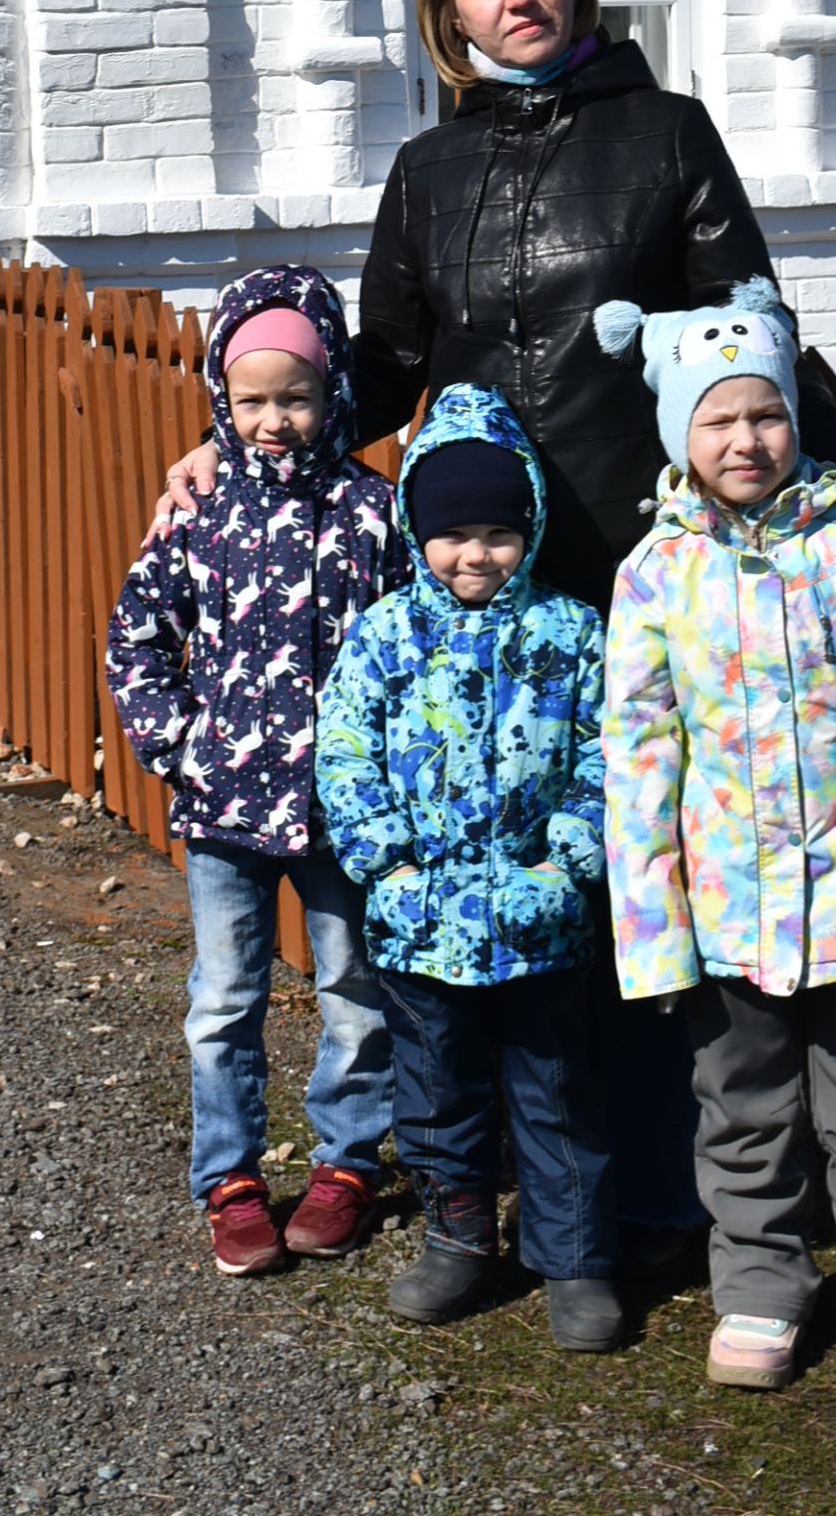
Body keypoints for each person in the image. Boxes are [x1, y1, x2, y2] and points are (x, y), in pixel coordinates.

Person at [159, 0, 836, 1239]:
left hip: (634, 551)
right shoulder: (430, 170)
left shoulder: (667, 135)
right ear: (451, 17)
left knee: (636, 844)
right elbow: (376, 367)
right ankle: (481, 1162)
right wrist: (235, 441)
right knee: (496, 845)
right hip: (482, 572)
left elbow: (750, 313)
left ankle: (659, 1175)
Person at [598, 278, 836, 1403]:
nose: (746, 438)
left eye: (764, 414)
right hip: (726, 910)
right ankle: (760, 1286)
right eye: (718, 419)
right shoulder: (655, 575)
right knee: (744, 1112)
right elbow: (639, 760)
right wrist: (653, 934)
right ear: (680, 432)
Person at [106, 264, 405, 1278]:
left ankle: (347, 1162)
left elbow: (416, 647)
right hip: (224, 803)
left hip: (344, 808)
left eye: (297, 396)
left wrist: (392, 764)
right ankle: (229, 1177)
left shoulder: (376, 516)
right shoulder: (197, 514)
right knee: (224, 997)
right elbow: (137, 636)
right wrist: (178, 743)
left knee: (355, 988)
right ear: (221, 401)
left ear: (335, 395)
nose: (275, 419)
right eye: (254, 399)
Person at [314, 382, 623, 1354]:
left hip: (542, 917)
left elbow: (611, 751)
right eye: (453, 534)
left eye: (496, 531)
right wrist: (384, 862)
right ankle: (458, 1235)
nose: (474, 553)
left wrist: (570, 861)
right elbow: (345, 752)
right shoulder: (385, 636)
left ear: (526, 528)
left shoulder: (571, 634)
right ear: (418, 530)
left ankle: (572, 1257)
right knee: (438, 1084)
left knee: (556, 1089)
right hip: (419, 918)